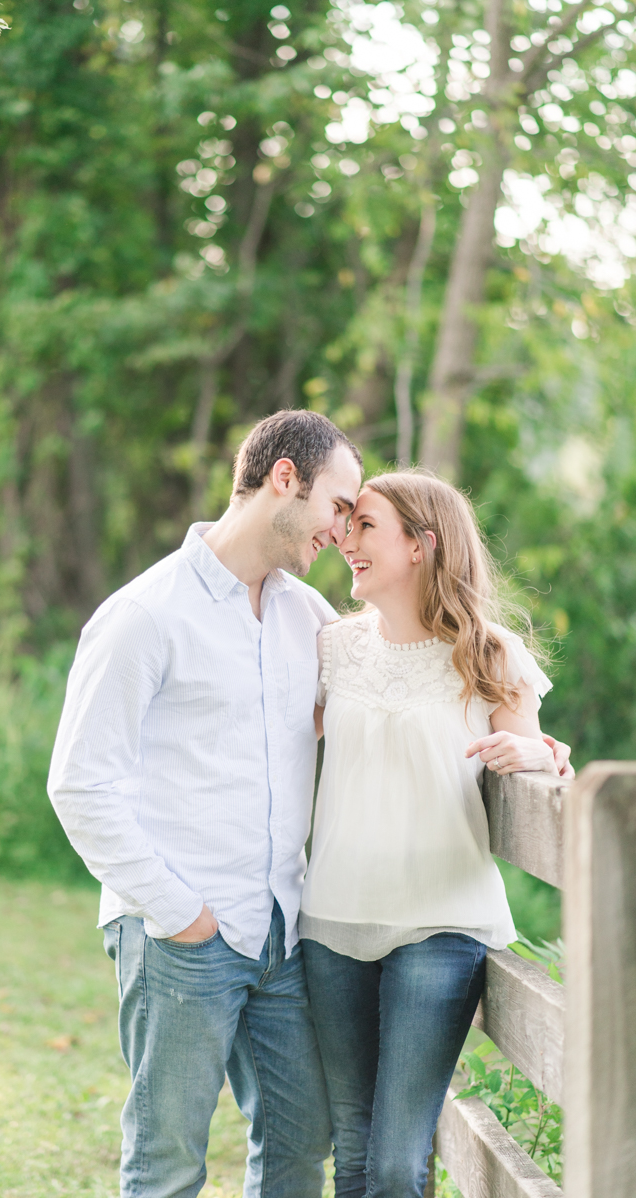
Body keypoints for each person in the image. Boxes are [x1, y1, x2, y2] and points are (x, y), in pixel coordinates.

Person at [47, 410, 364, 1198]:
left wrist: (519, 727)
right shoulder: (145, 614)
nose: (345, 528)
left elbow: (395, 692)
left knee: (303, 1137)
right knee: (169, 1161)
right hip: (180, 932)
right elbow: (80, 782)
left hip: (280, 931)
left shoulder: (309, 616)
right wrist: (178, 911)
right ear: (284, 479)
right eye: (339, 504)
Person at [299, 468, 571, 1198]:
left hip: (440, 928)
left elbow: (537, 756)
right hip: (330, 923)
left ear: (421, 545)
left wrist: (543, 754)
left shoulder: (490, 654)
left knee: (395, 1163)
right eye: (347, 525)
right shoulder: (331, 647)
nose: (345, 542)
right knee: (353, 1155)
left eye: (365, 527)